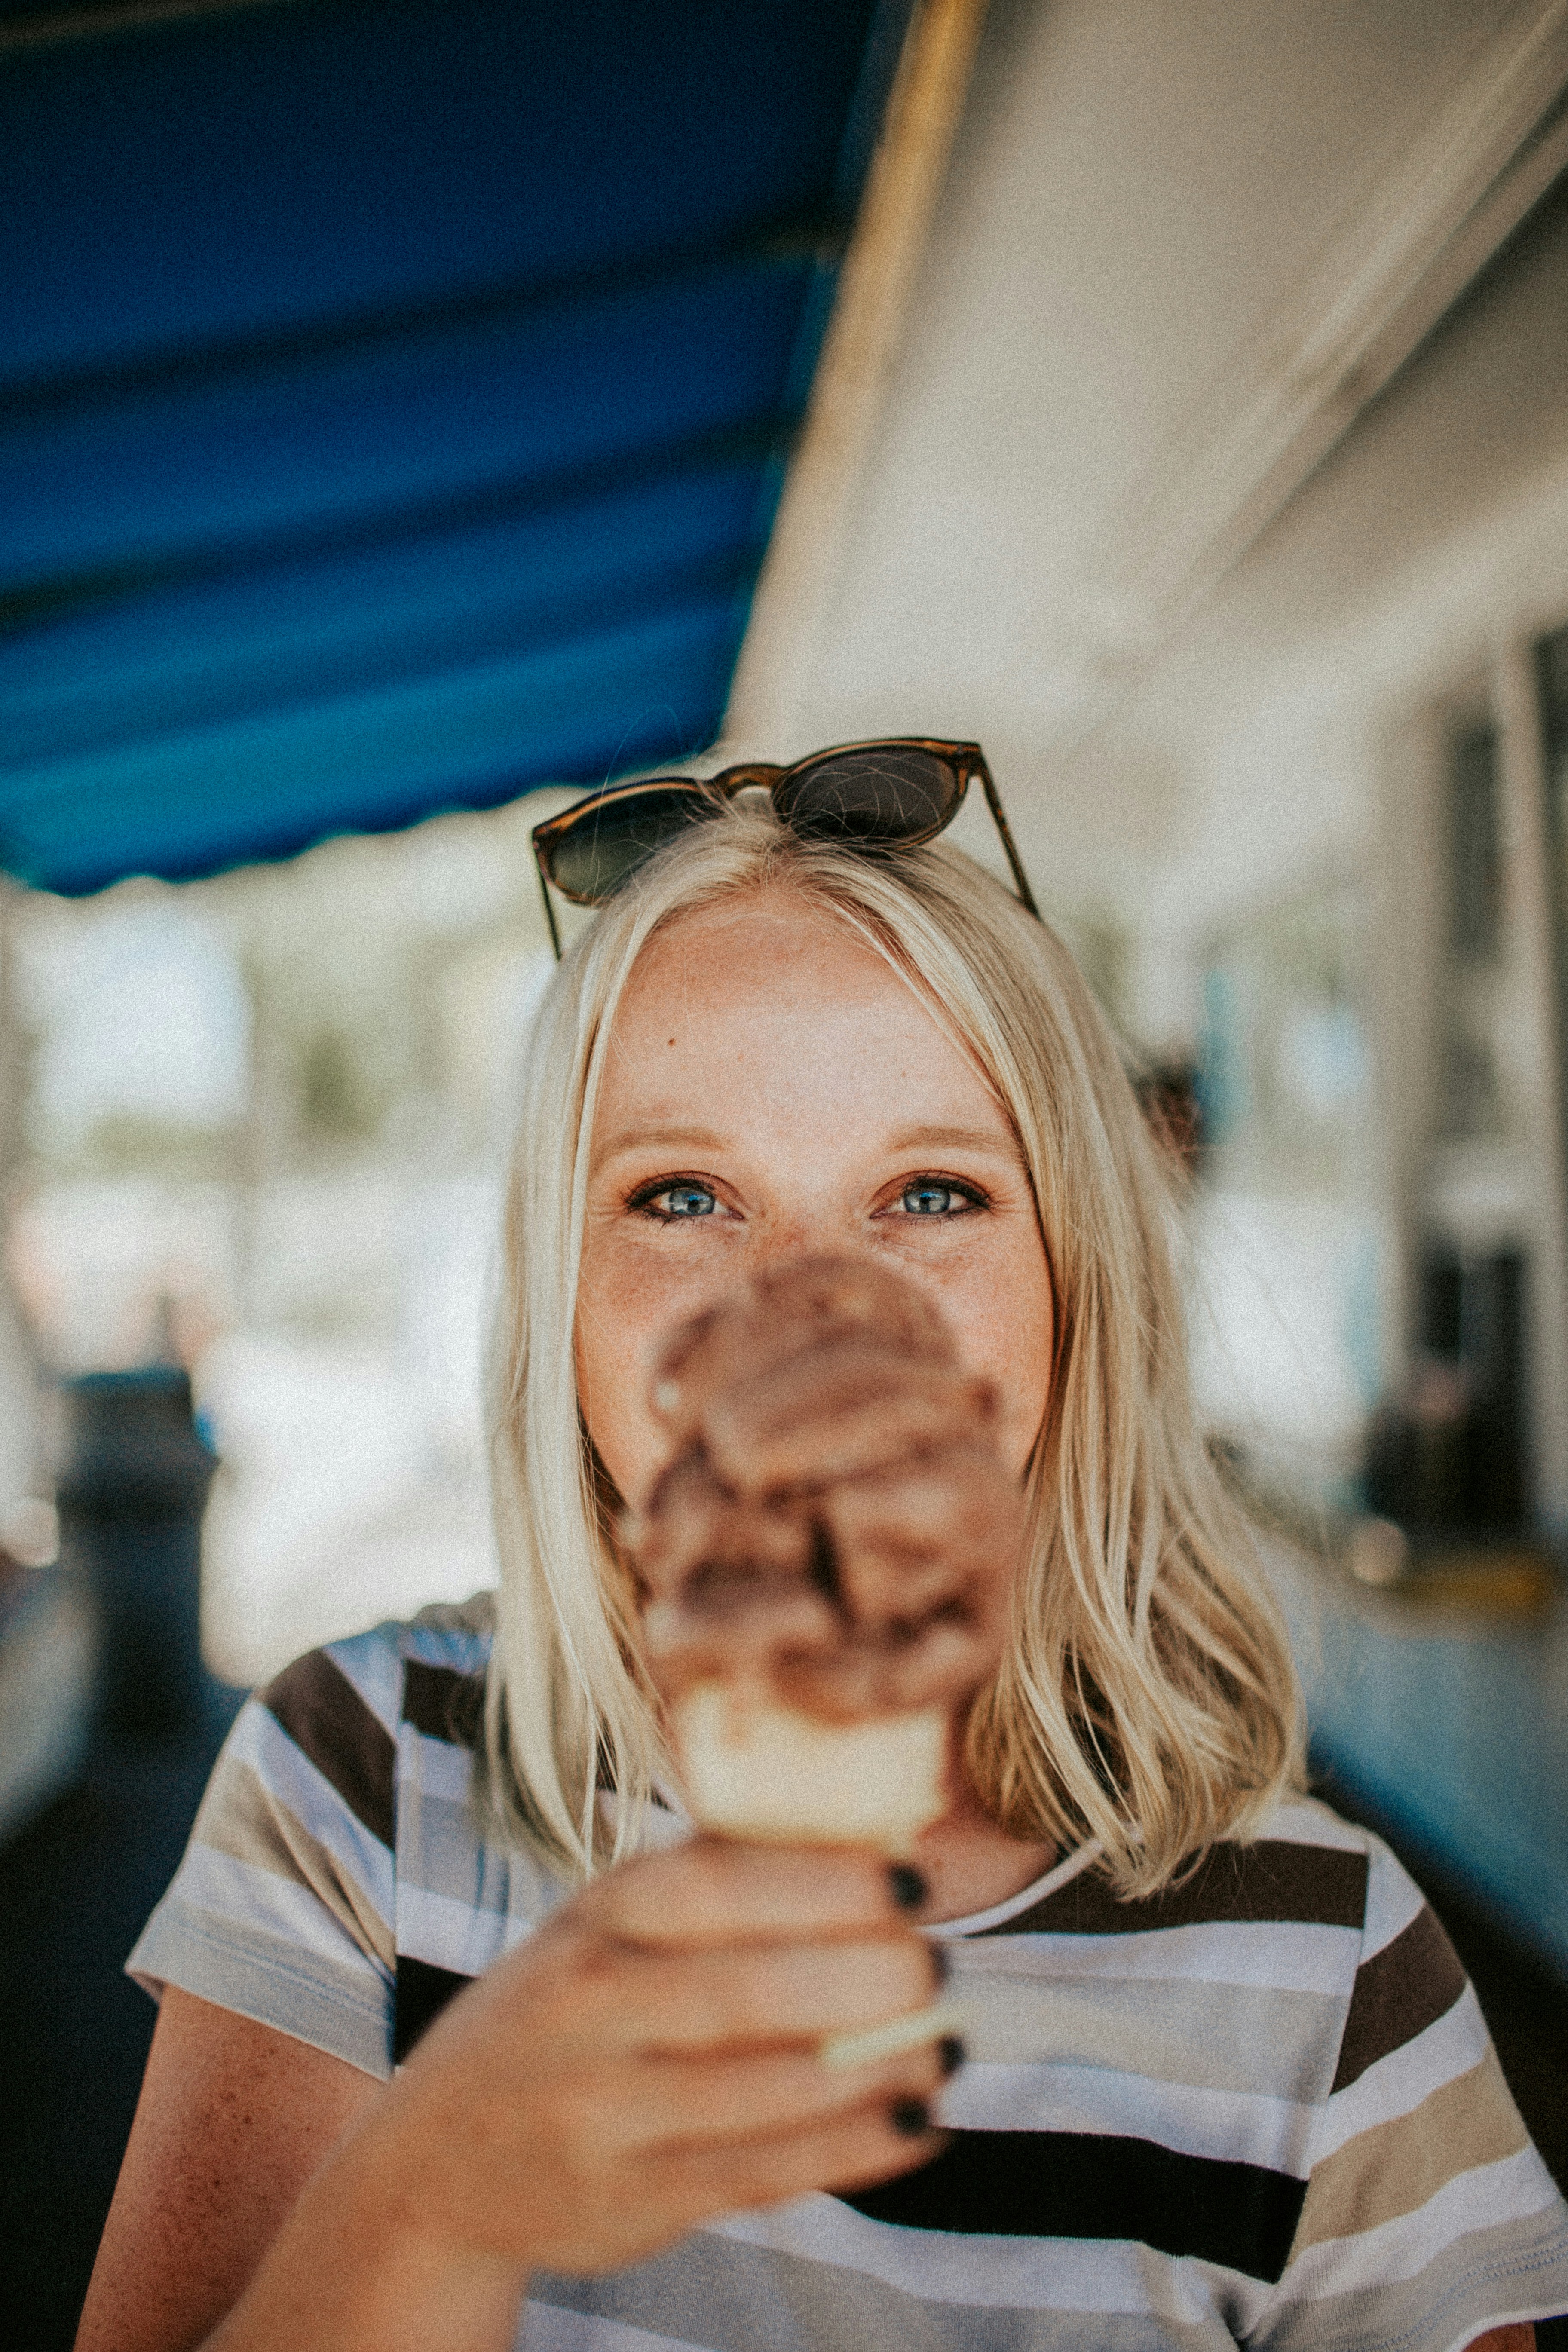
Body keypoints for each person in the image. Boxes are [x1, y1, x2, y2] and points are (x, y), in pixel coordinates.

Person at [77, 745, 1568, 2351]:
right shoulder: (357, 1789)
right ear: (558, 1298)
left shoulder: (1336, 1977)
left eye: (931, 1192)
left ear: (1081, 1288)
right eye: (682, 1195)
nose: (807, 1305)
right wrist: (433, 2204)